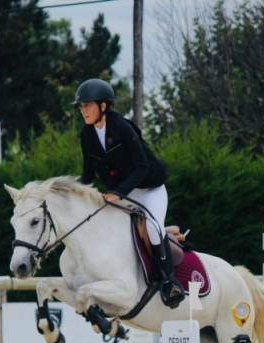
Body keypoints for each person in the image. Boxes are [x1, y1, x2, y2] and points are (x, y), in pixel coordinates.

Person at [73, 78, 185, 308]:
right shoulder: (86, 136)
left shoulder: (122, 128)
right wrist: (76, 197)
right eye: (81, 106)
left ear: (103, 106)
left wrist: (118, 192)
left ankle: (169, 282)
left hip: (149, 190)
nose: (83, 110)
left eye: (87, 105)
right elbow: (87, 174)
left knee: (153, 229)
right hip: (124, 194)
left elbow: (142, 167)